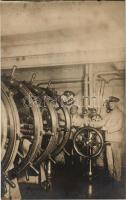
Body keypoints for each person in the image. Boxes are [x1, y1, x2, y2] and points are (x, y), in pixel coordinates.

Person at [90, 96, 124, 182]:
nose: (110, 104)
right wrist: (91, 123)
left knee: (116, 158)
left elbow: (119, 126)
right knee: (109, 158)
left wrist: (107, 129)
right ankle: (111, 174)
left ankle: (118, 177)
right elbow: (101, 122)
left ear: (116, 103)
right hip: (108, 139)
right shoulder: (109, 114)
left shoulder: (120, 113)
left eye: (112, 103)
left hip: (115, 139)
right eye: (110, 103)